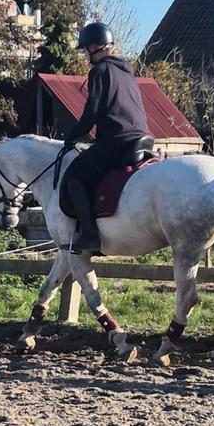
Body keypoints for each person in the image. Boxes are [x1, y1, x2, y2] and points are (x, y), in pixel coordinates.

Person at [63, 21, 151, 254]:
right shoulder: (126, 71)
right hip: (142, 137)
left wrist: (72, 136)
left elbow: (92, 113)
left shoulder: (100, 71)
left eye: (86, 49)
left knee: (75, 179)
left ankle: (91, 236)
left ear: (95, 46)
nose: (85, 54)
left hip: (117, 141)